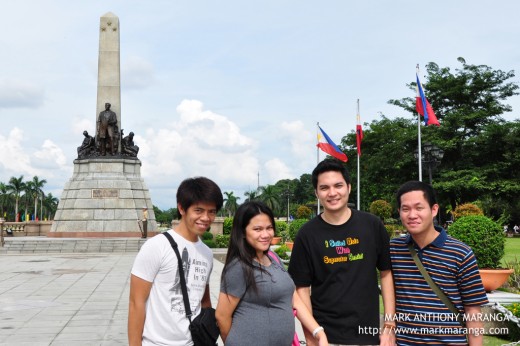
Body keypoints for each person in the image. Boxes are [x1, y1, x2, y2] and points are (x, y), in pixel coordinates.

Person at [288, 159, 396, 345]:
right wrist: (311, 335)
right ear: (316, 192)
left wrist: (389, 325)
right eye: (324, 188)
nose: (332, 193)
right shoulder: (307, 234)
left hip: (369, 335)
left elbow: (386, 274)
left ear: (349, 187)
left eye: (338, 185)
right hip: (326, 336)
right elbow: (301, 289)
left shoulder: (372, 225)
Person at [216, 201, 329, 346]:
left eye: (269, 228)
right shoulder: (239, 267)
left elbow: (294, 299)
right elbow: (221, 316)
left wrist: (318, 332)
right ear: (243, 232)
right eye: (257, 229)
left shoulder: (273, 258)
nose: (265, 234)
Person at [390, 181, 488, 345]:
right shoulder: (393, 250)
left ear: (434, 209)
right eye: (405, 209)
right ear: (399, 212)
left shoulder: (460, 253)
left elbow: (473, 311)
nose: (412, 215)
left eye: (419, 208)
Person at [128, 177, 223, 346]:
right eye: (198, 210)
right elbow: (136, 303)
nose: (206, 218)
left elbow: (204, 301)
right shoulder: (157, 246)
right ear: (181, 208)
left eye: (212, 211)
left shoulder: (207, 253)